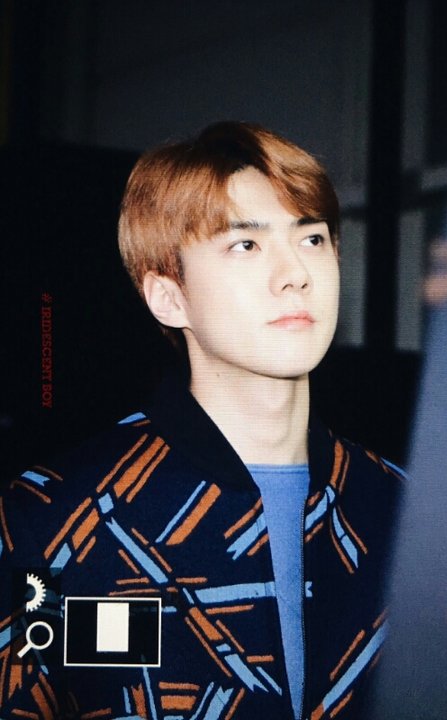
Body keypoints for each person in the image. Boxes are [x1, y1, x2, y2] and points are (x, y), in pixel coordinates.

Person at [0, 122, 403, 720]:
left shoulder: (406, 513)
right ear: (169, 297)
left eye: (313, 238)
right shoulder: (53, 520)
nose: (295, 273)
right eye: (245, 245)